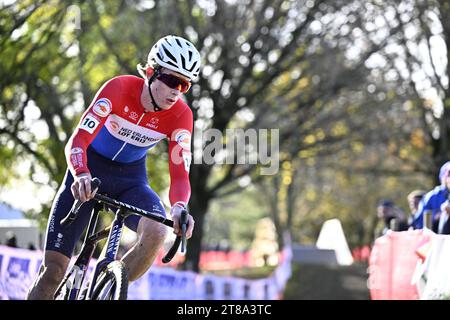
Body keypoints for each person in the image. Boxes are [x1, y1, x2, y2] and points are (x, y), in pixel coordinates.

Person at [26, 35, 200, 300]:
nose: (177, 90)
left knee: (157, 231)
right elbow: (79, 139)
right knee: (52, 272)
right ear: (151, 72)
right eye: (171, 80)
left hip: (130, 181)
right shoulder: (118, 89)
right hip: (89, 172)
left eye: (185, 84)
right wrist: (80, 173)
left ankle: (106, 290)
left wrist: (179, 206)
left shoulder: (181, 115)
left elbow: (179, 172)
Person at [411, 161, 450, 232]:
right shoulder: (431, 196)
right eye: (449, 175)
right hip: (435, 238)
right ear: (443, 177)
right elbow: (418, 222)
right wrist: (437, 217)